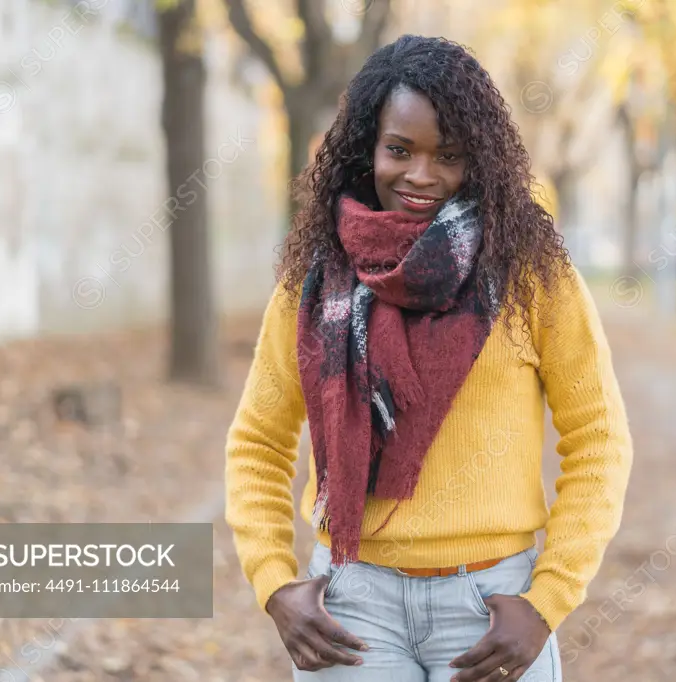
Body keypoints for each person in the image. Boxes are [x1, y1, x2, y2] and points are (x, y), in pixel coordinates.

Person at [225, 34, 634, 682]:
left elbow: (600, 440)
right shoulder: (315, 277)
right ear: (368, 148)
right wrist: (274, 583)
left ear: (480, 159)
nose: (420, 175)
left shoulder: (531, 275)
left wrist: (546, 601)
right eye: (400, 150)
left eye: (448, 156)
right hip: (352, 608)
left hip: (491, 608)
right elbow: (259, 443)